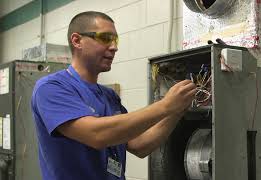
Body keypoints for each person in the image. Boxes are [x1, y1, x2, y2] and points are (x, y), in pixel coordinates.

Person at [31, 11, 196, 180]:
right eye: (105, 38)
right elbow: (97, 135)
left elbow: (139, 145)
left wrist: (175, 111)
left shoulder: (109, 96)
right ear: (77, 40)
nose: (114, 47)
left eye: (115, 40)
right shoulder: (50, 88)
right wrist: (165, 105)